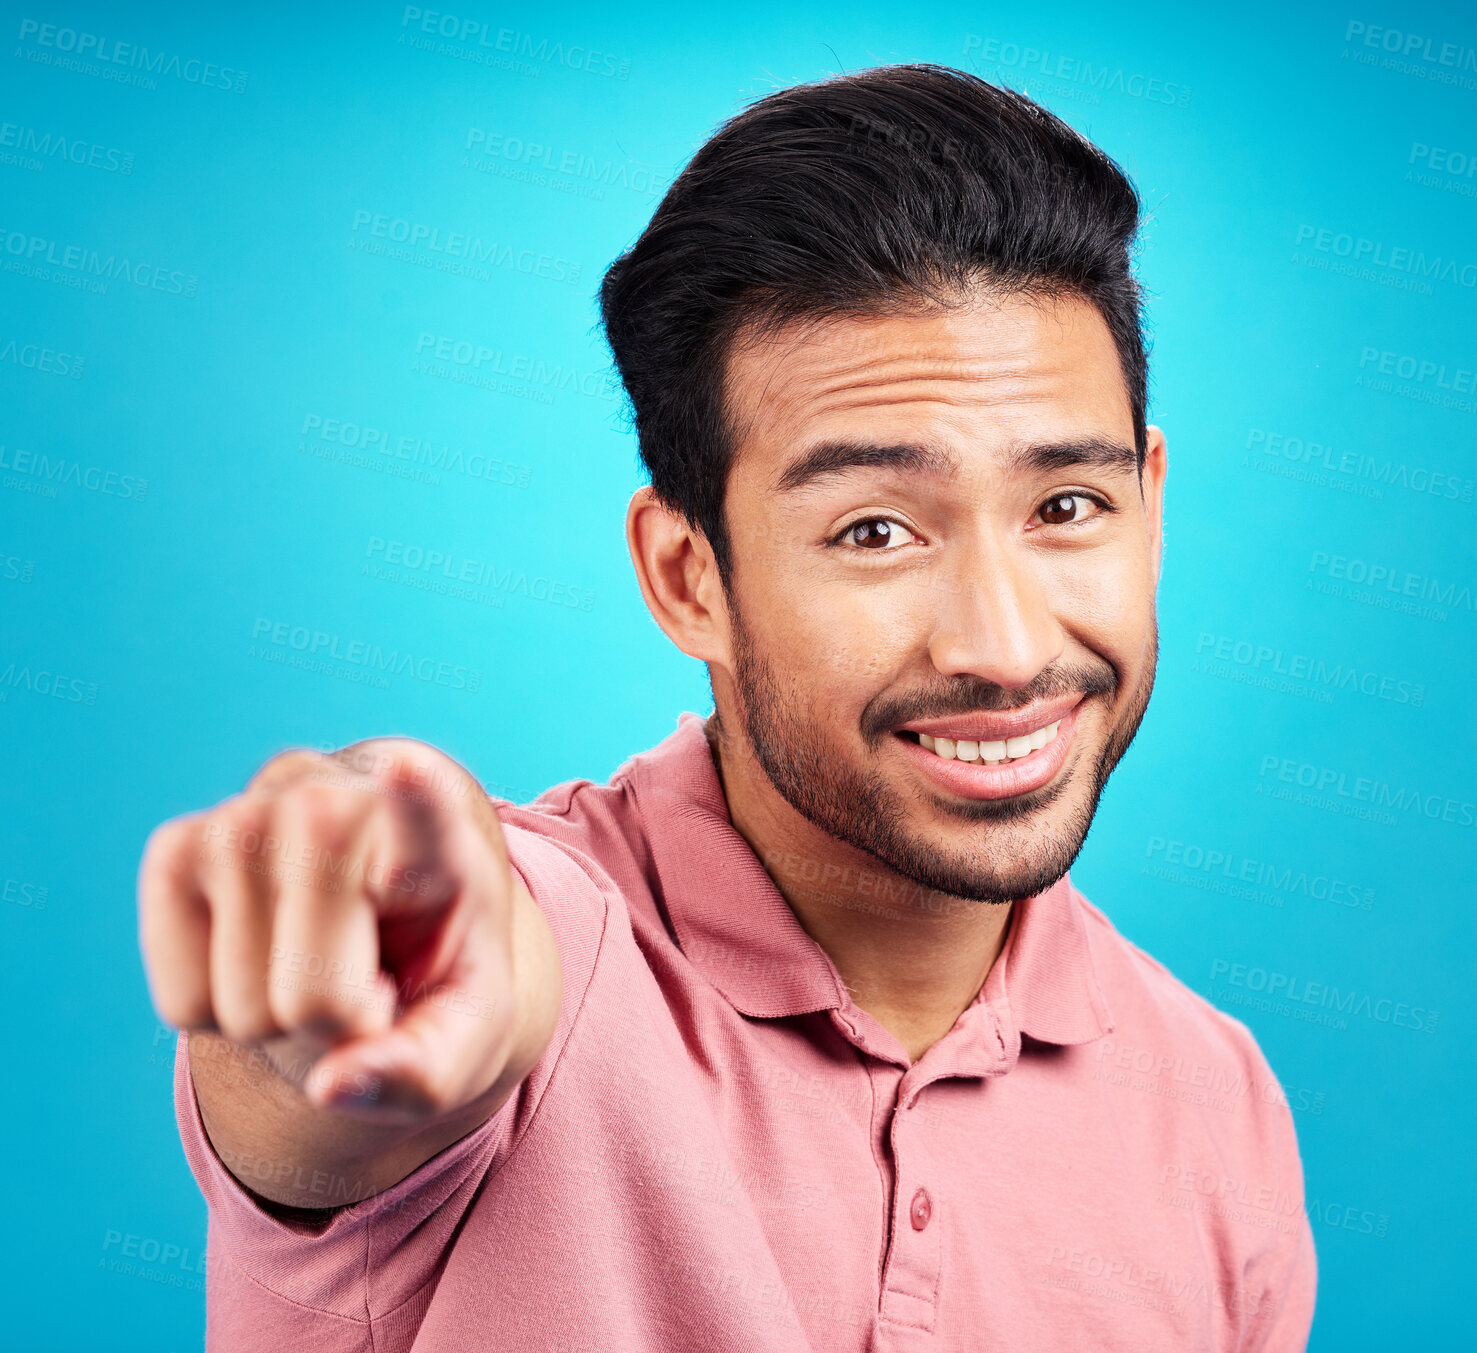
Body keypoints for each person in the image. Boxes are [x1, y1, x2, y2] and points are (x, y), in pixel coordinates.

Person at [139, 63, 1317, 1351]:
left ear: (1149, 508)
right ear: (687, 577)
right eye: (875, 530)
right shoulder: (558, 956)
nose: (1004, 644)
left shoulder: (1217, 1099)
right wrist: (368, 926)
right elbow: (370, 1028)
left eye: (1067, 509)